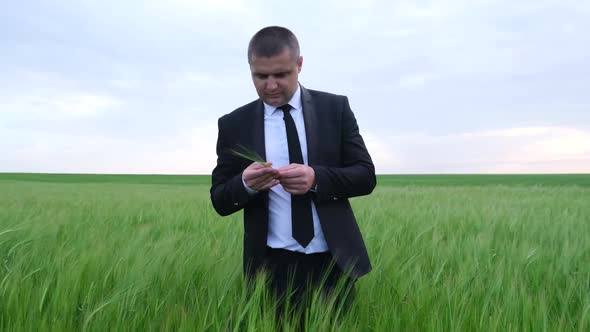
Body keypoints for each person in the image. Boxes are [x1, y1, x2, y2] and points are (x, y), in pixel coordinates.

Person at [210, 26, 376, 314]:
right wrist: (246, 184)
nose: (271, 86)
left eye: (281, 75)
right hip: (272, 268)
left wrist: (316, 178)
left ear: (299, 65)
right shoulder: (233, 124)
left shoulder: (335, 109)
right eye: (260, 76)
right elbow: (220, 199)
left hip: (334, 262)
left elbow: (365, 176)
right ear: (250, 69)